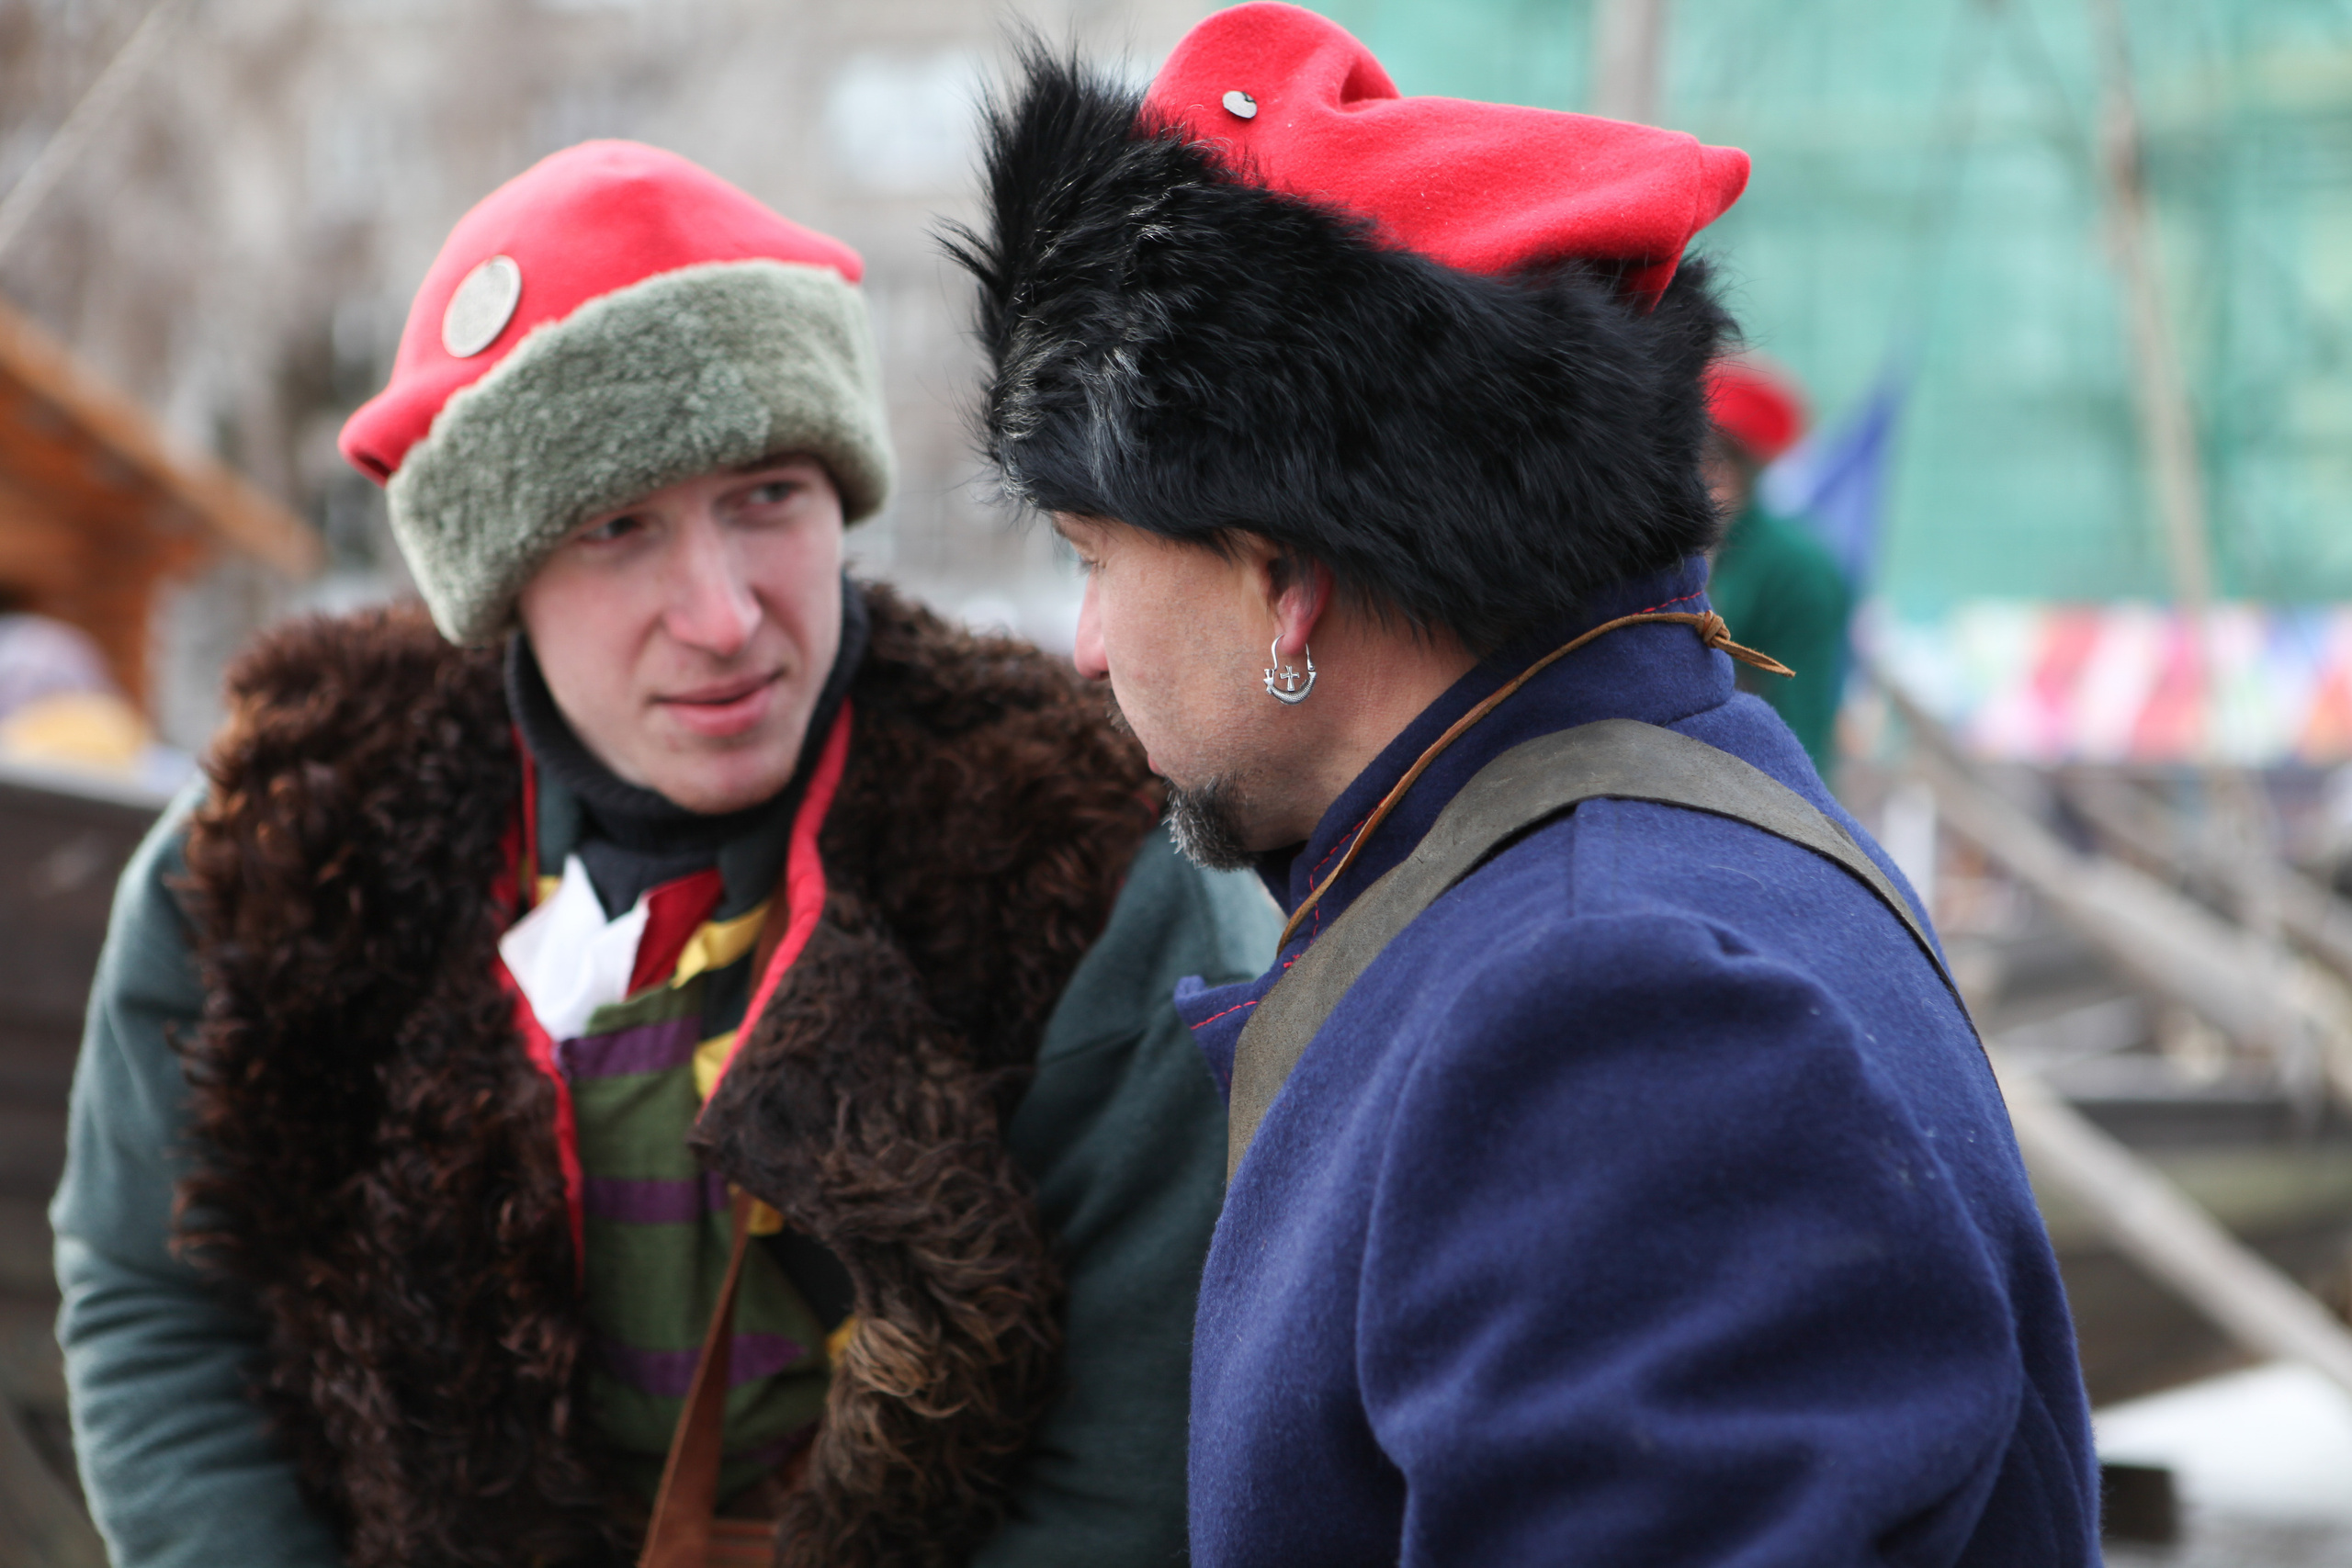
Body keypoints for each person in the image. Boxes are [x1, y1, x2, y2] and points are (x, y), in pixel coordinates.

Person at [949, 7, 2099, 1565]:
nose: (1084, 647)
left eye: (1096, 561)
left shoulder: (1601, 1010)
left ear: (1284, 578)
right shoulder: (1598, 870)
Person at [52, 141, 1277, 1568]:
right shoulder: (279, 853)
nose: (720, 613)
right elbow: (160, 1309)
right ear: (500, 578)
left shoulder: (1075, 860)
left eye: (767, 497)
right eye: (617, 528)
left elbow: (1130, 1457)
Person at [1702, 355, 1855, 777]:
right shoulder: (1673, 550)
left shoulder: (1797, 569)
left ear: (1741, 471)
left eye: (1712, 459)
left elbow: (1803, 722)